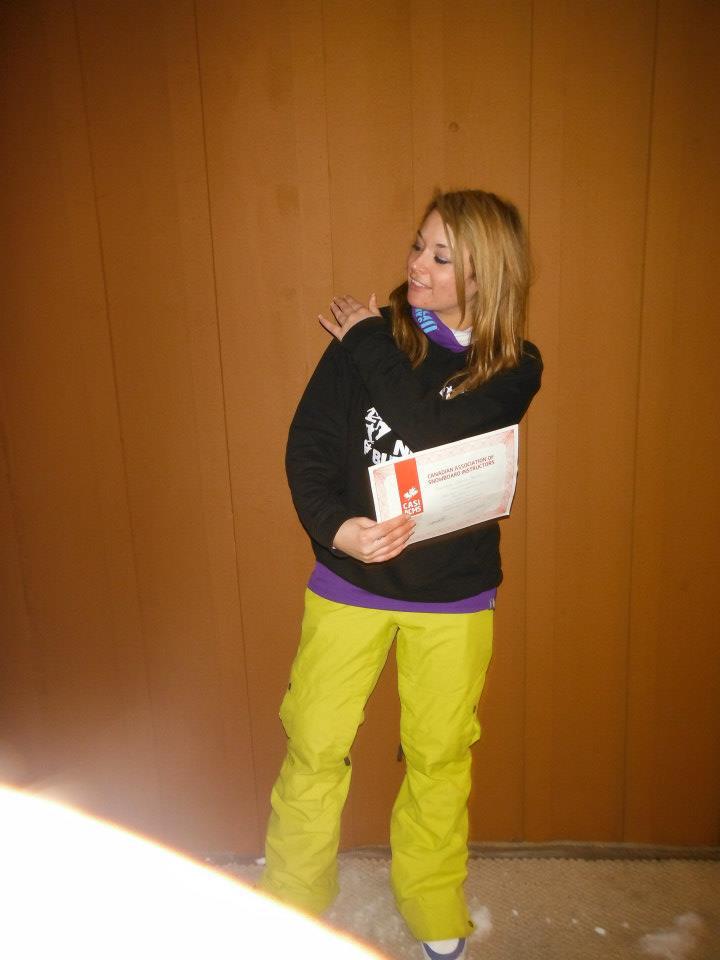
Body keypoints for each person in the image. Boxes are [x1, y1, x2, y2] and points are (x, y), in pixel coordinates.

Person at [259, 190, 542, 960]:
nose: (416, 265)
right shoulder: (373, 337)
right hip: (349, 583)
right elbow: (308, 446)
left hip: (454, 596)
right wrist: (336, 528)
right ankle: (292, 897)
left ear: (486, 276)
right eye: (418, 245)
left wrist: (365, 339)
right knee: (314, 741)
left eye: (441, 257)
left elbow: (432, 428)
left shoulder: (513, 365)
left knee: (439, 755)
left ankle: (430, 897)